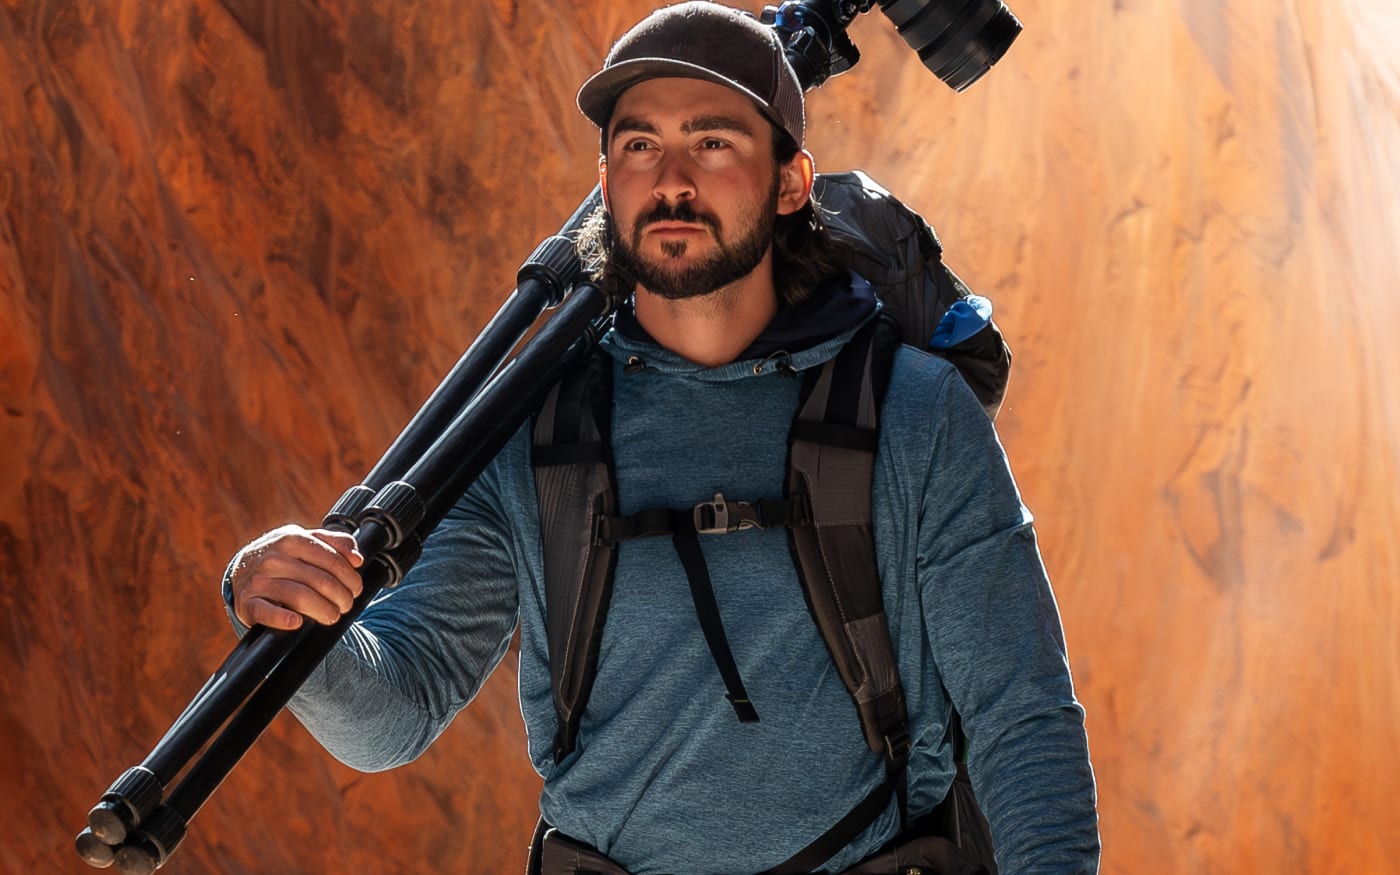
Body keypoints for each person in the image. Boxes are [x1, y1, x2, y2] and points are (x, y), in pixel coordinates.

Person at [224, 3, 1100, 872]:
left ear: (791, 183)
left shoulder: (912, 412)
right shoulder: (536, 427)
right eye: (641, 145)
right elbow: (398, 709)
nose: (672, 180)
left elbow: (1023, 719)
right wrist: (295, 615)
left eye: (713, 142)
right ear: (606, 182)